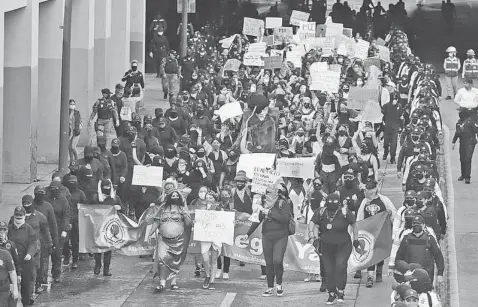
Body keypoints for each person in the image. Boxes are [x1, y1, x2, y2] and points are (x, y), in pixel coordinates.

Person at [309, 193, 363, 305]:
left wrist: (356, 240)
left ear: (338, 202)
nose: (331, 204)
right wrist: (314, 237)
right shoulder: (322, 211)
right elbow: (315, 224)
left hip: (343, 245)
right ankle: (331, 293)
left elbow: (354, 225)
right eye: (329, 201)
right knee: (328, 270)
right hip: (326, 245)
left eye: (334, 201)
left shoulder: (344, 212)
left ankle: (341, 290)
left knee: (340, 266)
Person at [244, 183, 292, 297]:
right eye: (267, 193)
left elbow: (285, 219)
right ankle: (270, 287)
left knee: (277, 261)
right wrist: (247, 234)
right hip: (267, 236)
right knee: (269, 263)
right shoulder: (264, 205)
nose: (268, 196)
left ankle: (279, 284)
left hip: (281, 236)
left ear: (276, 194)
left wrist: (269, 212)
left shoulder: (283, 203)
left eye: (270, 193)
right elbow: (257, 220)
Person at [148, 189, 192, 292]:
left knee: (174, 261)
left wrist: (186, 215)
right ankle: (162, 283)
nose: (175, 197)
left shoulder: (182, 209)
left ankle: (173, 283)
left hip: (178, 240)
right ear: (169, 197)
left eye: (177, 196)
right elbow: (156, 222)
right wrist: (150, 234)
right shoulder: (162, 208)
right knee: (162, 260)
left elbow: (189, 224)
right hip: (163, 239)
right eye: (173, 196)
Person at [356, 179, 396, 287]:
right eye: (367, 189)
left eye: (370, 189)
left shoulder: (384, 200)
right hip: (369, 232)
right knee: (370, 253)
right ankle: (370, 276)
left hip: (382, 231)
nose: (368, 191)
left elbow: (394, 214)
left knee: (380, 252)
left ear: (375, 189)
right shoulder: (364, 202)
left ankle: (379, 270)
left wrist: (389, 213)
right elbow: (360, 217)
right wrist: (359, 231)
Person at [395, 215, 444, 282]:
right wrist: (398, 272)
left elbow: (438, 256)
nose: (416, 225)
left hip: (426, 273)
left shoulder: (430, 239)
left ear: (423, 225)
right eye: (414, 223)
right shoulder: (406, 239)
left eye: (418, 224)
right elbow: (399, 257)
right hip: (410, 274)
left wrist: (440, 273)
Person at [93, 179, 125, 276]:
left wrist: (119, 208)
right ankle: (97, 265)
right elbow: (88, 208)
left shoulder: (115, 198)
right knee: (98, 248)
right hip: (98, 226)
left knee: (108, 249)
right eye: (104, 187)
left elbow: (122, 209)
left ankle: (106, 269)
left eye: (108, 187)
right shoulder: (95, 198)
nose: (107, 189)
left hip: (110, 226)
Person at [8, 207, 38, 307]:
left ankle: (26, 304)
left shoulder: (29, 229)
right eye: (17, 215)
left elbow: (33, 243)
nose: (18, 217)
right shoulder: (9, 229)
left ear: (24, 216)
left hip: (26, 263)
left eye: (20, 215)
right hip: (12, 263)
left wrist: (29, 254)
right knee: (11, 287)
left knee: (26, 289)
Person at [32, 185, 58, 292]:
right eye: (38, 193)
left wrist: (54, 240)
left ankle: (42, 280)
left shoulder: (48, 206)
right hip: (33, 240)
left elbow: (52, 224)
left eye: (42, 193)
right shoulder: (31, 205)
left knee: (44, 262)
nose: (40, 195)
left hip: (44, 240)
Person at [45, 181, 70, 283]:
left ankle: (56, 273)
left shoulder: (63, 201)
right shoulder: (47, 199)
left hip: (59, 229)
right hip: (47, 229)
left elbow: (66, 215)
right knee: (46, 252)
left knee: (57, 253)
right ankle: (43, 275)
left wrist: (64, 229)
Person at [199, 192, 224, 290]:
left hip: (216, 237)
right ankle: (207, 275)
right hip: (205, 236)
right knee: (205, 259)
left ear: (215, 199)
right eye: (207, 197)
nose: (209, 199)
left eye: (211, 197)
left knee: (214, 259)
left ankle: (212, 281)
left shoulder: (220, 210)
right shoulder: (202, 209)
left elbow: (224, 222)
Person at [63, 175, 87, 269]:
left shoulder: (80, 193)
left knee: (75, 242)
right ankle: (66, 254)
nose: (72, 184)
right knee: (65, 240)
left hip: (76, 220)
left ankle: (75, 260)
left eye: (74, 182)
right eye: (70, 182)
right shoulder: (65, 192)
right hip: (66, 220)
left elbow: (86, 204)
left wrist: (81, 206)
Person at [452, 109, 478, 183]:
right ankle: (463, 174)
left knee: (467, 159)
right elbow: (457, 133)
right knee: (462, 159)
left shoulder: (470, 121)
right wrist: (453, 142)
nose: (459, 114)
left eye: (460, 113)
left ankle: (467, 177)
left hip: (470, 142)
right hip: (462, 142)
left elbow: (476, 130)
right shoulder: (459, 122)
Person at [0, 221, 20, 307]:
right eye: (0, 230)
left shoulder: (10, 244)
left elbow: (16, 262)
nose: (1, 232)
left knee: (11, 303)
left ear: (7, 231)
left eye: (3, 230)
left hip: (9, 278)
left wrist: (18, 275)